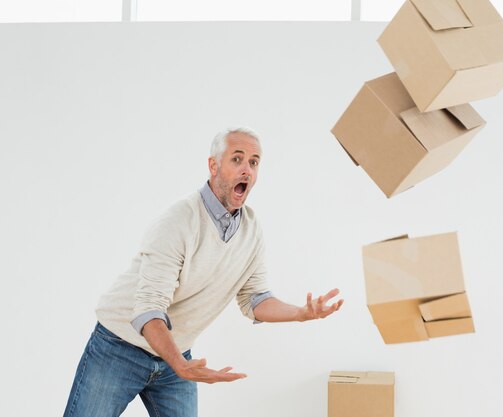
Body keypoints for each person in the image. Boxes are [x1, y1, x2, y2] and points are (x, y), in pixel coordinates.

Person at [63, 127, 343, 417]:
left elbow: (255, 299)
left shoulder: (250, 229)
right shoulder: (178, 221)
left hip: (176, 356)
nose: (247, 169)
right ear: (213, 165)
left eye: (254, 162)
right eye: (237, 159)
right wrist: (180, 365)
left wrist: (300, 313)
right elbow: (148, 310)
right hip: (119, 347)